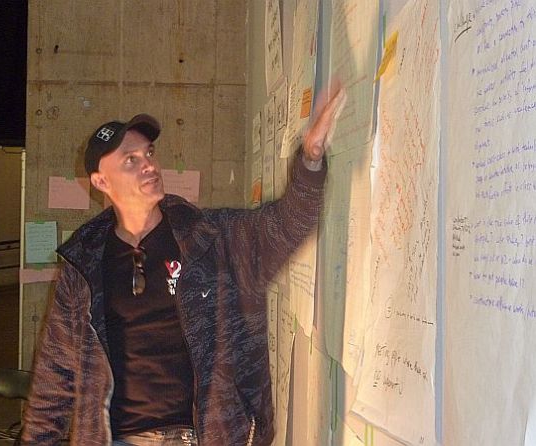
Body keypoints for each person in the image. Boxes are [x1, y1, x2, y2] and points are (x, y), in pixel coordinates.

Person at [21, 86, 346, 446]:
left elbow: (287, 225)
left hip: (204, 436)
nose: (148, 164)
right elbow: (55, 376)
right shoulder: (83, 265)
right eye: (130, 160)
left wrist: (311, 157)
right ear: (101, 182)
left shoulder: (211, 237)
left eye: (149, 153)